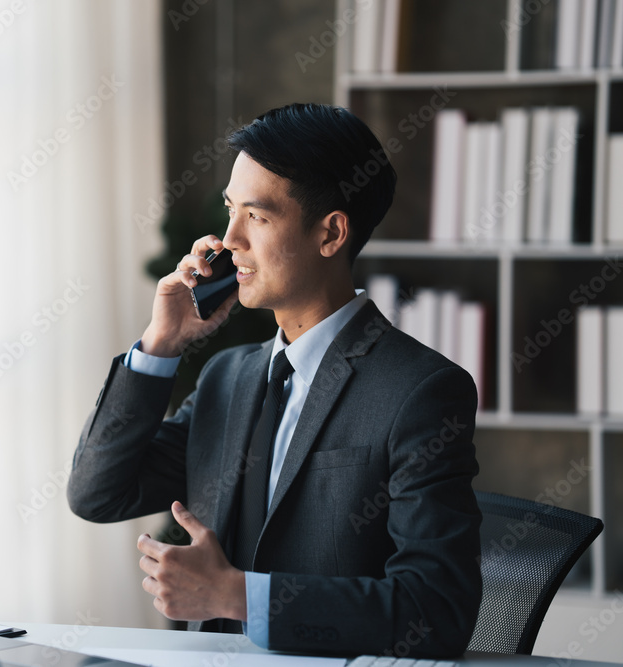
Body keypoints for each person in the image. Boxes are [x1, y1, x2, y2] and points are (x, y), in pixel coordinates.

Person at [66, 103, 482, 657]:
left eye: (257, 217)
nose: (228, 240)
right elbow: (98, 492)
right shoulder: (227, 378)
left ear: (331, 233)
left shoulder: (421, 391)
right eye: (229, 211)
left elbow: (435, 613)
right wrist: (159, 345)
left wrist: (236, 595)